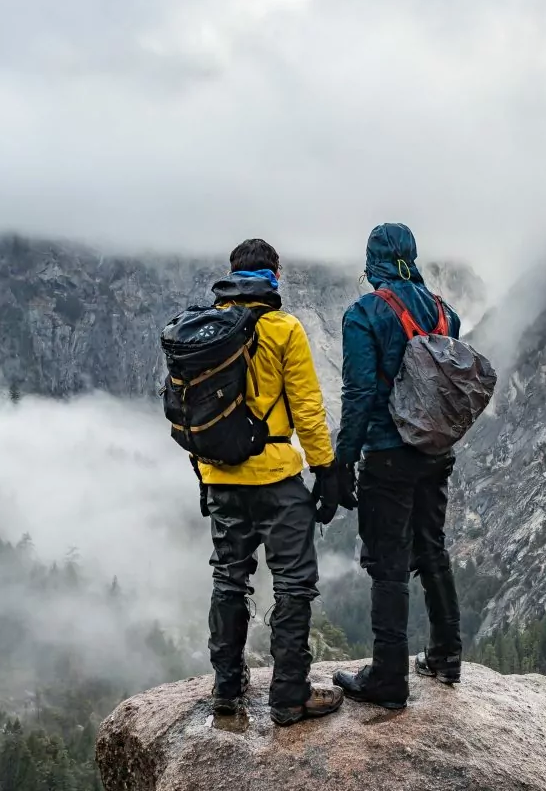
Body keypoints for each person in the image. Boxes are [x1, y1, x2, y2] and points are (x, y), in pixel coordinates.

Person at [198, 238, 347, 726]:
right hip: (277, 478)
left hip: (220, 477)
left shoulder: (203, 332)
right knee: (294, 586)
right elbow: (306, 409)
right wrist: (325, 470)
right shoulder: (283, 328)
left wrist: (205, 475)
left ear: (232, 274)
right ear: (274, 276)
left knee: (228, 579)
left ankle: (226, 689)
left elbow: (192, 417)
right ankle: (288, 697)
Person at [331, 223, 464, 709]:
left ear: (374, 262)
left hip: (388, 455)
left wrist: (342, 461)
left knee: (387, 564)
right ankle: (447, 656)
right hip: (436, 452)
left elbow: (360, 393)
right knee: (432, 547)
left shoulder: (365, 314)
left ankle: (389, 678)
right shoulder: (446, 313)